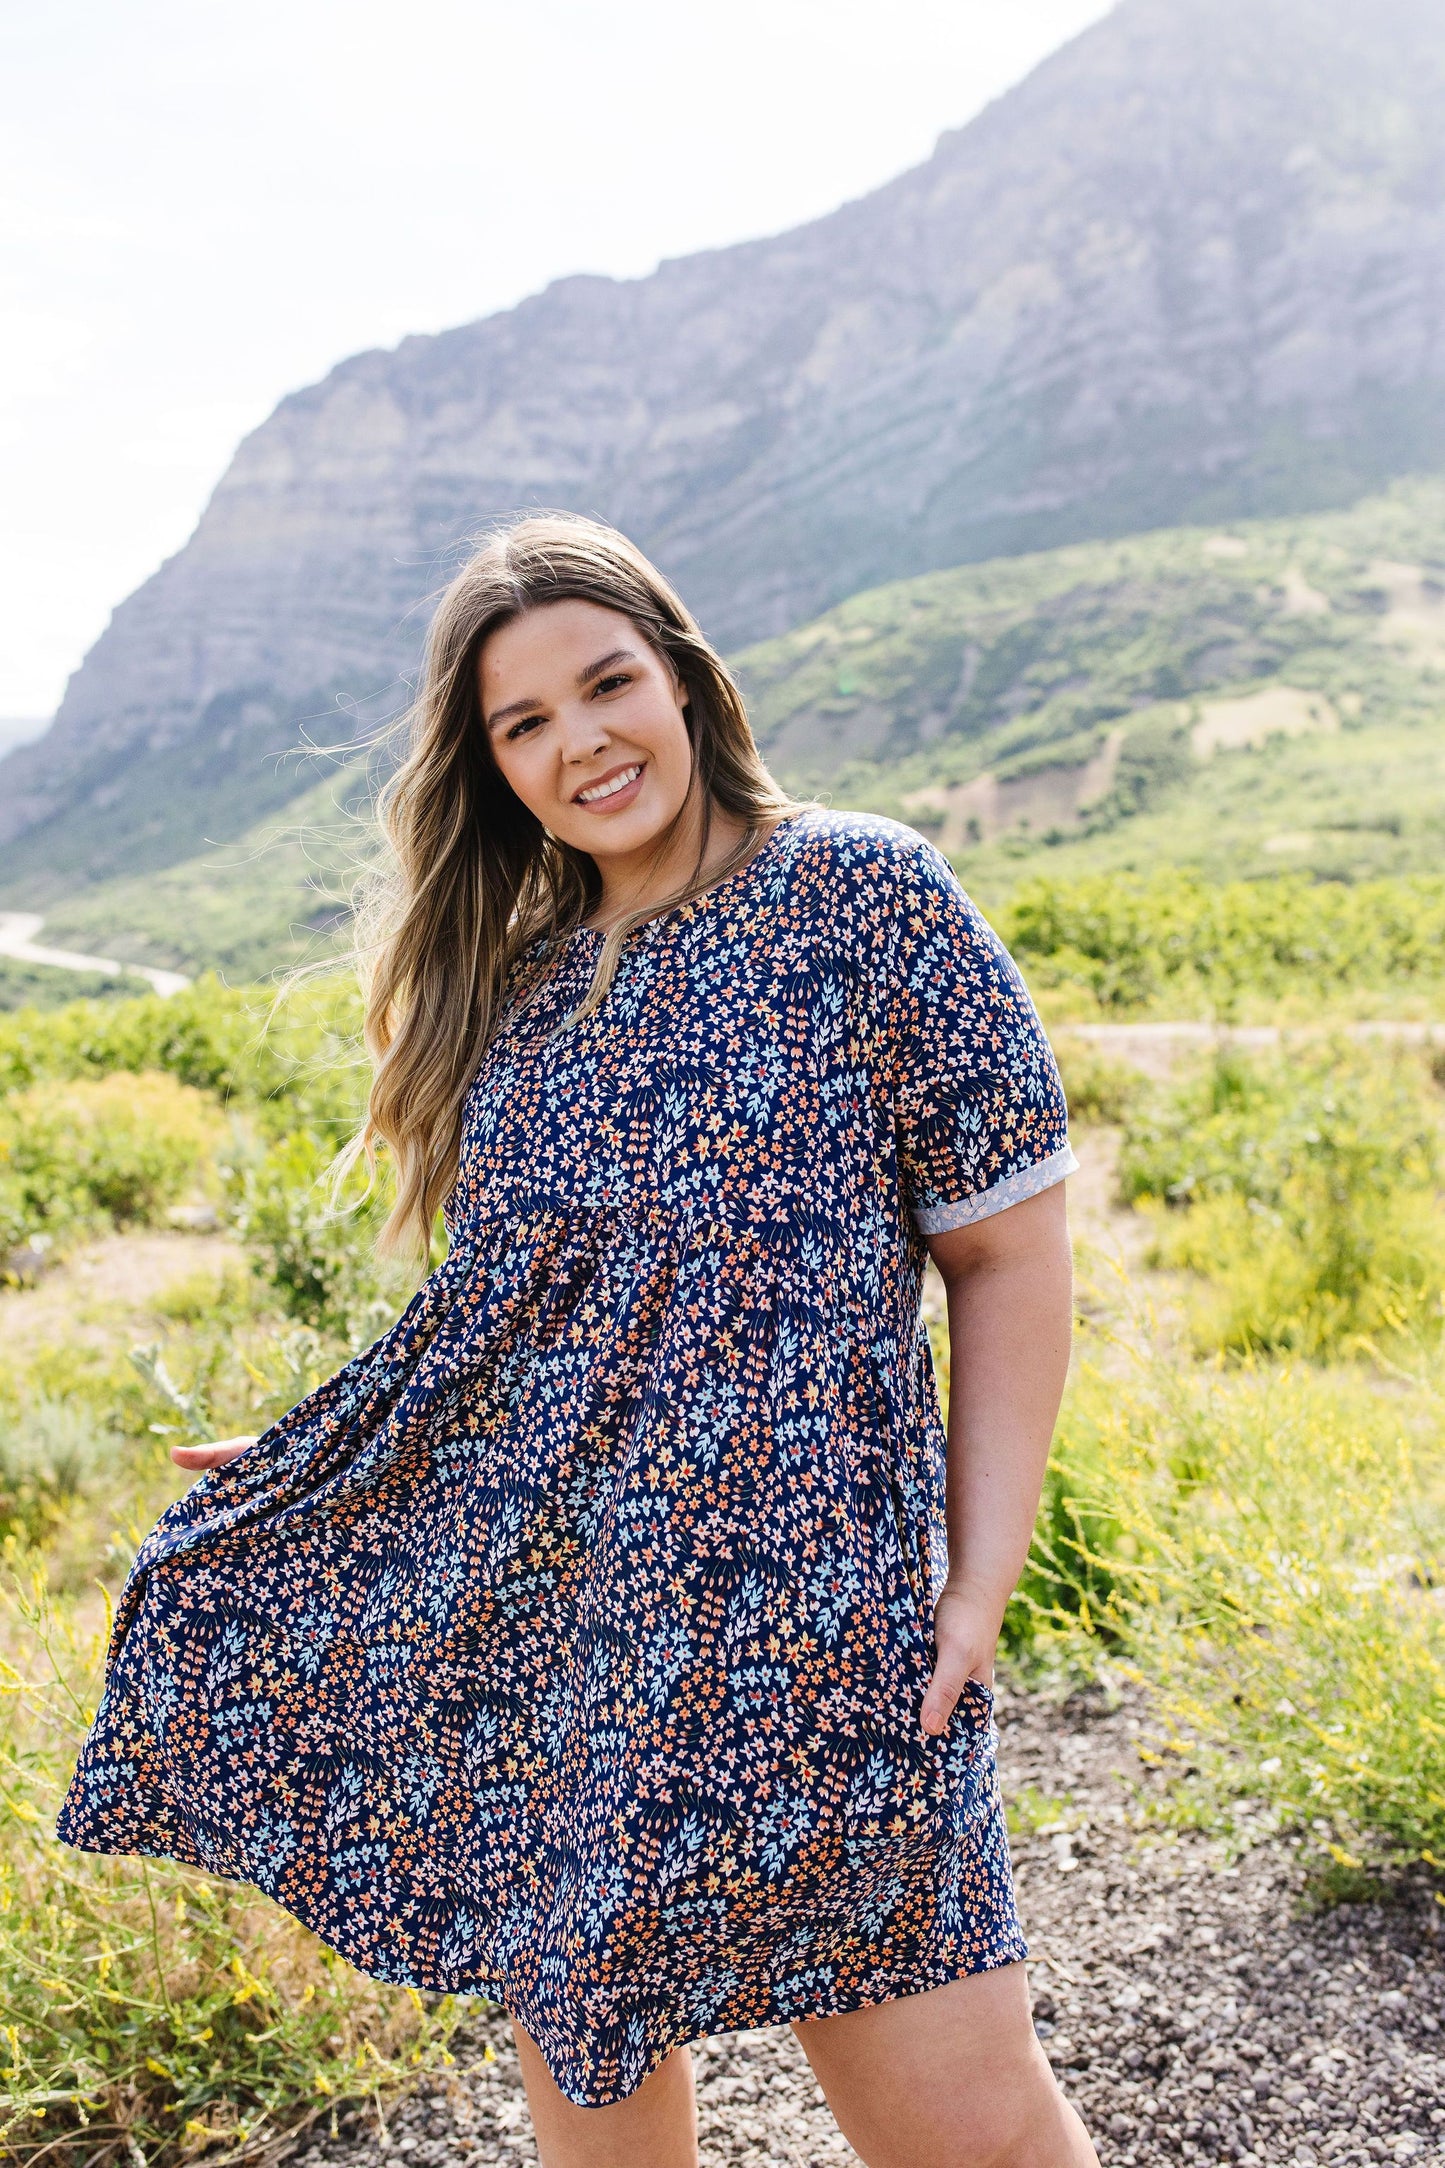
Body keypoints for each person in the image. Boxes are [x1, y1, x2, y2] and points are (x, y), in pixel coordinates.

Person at [58, 514, 1098, 2168]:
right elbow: (518, 1342)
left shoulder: (867, 899)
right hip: (578, 1651)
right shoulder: (526, 998)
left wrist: (975, 1582)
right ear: (494, 769)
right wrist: (352, 1472)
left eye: (605, 684)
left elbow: (1006, 1251)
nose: (579, 743)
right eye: (521, 724)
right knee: (605, 2145)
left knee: (969, 2135)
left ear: (681, 678)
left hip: (824, 1638)